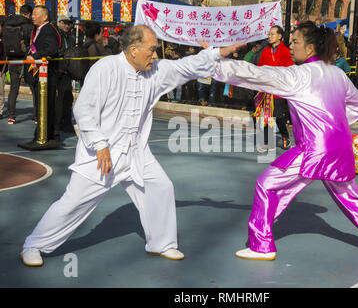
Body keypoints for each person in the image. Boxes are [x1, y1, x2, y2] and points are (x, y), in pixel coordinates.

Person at [20, 25, 244, 267]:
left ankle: (162, 243)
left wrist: (218, 53)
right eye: (152, 50)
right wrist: (100, 144)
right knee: (74, 202)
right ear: (133, 49)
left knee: (161, 187)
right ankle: (34, 245)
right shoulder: (105, 69)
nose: (156, 56)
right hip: (102, 153)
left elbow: (185, 67)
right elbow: (84, 109)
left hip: (136, 150)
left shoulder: (155, 70)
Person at [212, 21, 358, 260]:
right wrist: (336, 124)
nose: (291, 46)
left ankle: (261, 246)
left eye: (295, 42)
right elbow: (357, 105)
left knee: (266, 184)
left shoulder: (297, 75)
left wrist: (216, 64)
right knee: (349, 195)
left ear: (310, 49)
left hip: (313, 150)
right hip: (340, 147)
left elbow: (257, 74)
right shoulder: (338, 74)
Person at [254, 25, 294, 152]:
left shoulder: (286, 51)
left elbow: (289, 69)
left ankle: (285, 136)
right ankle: (267, 141)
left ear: (279, 36)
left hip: (279, 89)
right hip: (266, 89)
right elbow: (260, 66)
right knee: (266, 116)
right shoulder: (265, 51)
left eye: (272, 34)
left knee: (279, 116)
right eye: (269, 34)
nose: (269, 37)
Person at [25, 5, 61, 141]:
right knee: (40, 105)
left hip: (47, 74)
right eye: (32, 14)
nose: (33, 17)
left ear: (45, 16)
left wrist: (34, 57)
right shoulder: (38, 30)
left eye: (36, 14)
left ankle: (44, 135)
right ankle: (42, 134)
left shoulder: (48, 30)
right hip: (38, 74)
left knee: (46, 106)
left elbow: (51, 49)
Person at [4, 4, 33, 124]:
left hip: (11, 58)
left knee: (13, 88)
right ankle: (37, 115)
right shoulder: (28, 25)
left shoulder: (8, 22)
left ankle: (11, 116)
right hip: (26, 58)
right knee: (33, 86)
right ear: (29, 14)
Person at [55, 15, 75, 135]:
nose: (67, 25)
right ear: (59, 23)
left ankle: (66, 123)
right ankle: (57, 125)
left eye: (68, 23)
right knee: (59, 100)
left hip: (67, 71)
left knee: (68, 98)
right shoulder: (56, 35)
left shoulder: (70, 37)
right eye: (64, 23)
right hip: (58, 71)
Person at [0, 17, 7, 119]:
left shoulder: (4, 40)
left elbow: (4, 55)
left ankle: (0, 110)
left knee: (0, 91)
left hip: (1, 68)